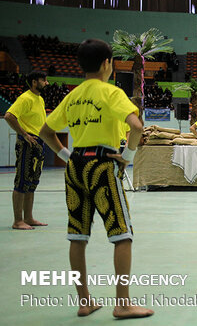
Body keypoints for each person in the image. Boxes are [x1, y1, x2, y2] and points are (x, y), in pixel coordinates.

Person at [38, 39, 152, 319]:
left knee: (78, 235)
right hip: (103, 165)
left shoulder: (73, 95)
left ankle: (85, 301)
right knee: (122, 234)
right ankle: (123, 304)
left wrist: (67, 156)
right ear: (107, 64)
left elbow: (45, 131)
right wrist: (128, 156)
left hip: (76, 165)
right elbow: (136, 126)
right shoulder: (110, 93)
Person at [4, 70, 49, 230]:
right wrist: (24, 134)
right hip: (27, 144)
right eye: (44, 80)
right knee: (22, 181)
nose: (47, 83)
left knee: (32, 183)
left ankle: (28, 218)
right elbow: (9, 116)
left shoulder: (40, 99)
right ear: (34, 82)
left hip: (38, 143)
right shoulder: (25, 98)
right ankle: (18, 221)